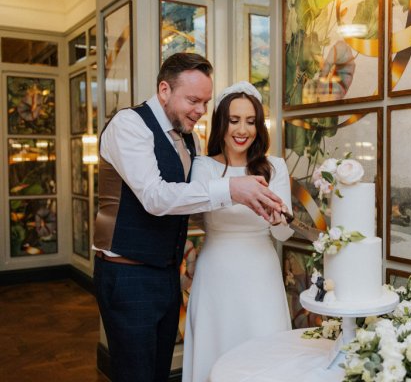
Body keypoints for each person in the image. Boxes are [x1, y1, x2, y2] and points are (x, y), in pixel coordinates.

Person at [93, 54, 283, 382]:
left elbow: (189, 206)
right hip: (128, 274)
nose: (199, 111)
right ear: (164, 90)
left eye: (205, 102)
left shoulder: (188, 138)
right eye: (193, 100)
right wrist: (232, 190)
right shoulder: (129, 125)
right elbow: (155, 197)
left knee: (157, 372)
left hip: (167, 274)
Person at [182, 82, 293, 382]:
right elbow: (192, 207)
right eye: (233, 120)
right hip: (216, 274)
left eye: (250, 121)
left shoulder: (274, 167)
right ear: (221, 123)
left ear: (259, 126)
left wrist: (276, 220)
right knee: (217, 348)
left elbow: (283, 235)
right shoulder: (202, 166)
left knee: (265, 353)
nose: (242, 129)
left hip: (262, 274)